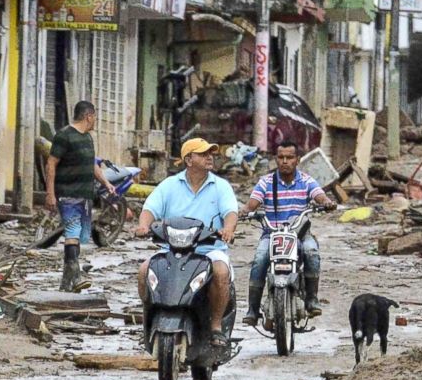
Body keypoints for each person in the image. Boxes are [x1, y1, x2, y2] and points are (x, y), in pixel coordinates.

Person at [135, 139, 240, 354]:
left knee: (220, 272)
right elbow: (150, 209)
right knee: (144, 269)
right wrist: (143, 225)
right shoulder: (169, 185)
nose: (209, 157)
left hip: (209, 250)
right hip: (171, 249)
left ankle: (216, 327)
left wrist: (228, 229)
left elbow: (231, 212)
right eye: (203, 154)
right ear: (188, 159)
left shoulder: (220, 186)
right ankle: (150, 319)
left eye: (211, 153)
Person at [241, 141, 337, 325]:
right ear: (276, 159)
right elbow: (252, 203)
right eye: (281, 157)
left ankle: (311, 299)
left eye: (290, 157)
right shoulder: (266, 182)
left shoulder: (306, 181)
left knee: (311, 252)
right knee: (260, 258)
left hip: (299, 234)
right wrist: (245, 211)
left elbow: (320, 195)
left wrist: (326, 202)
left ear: (297, 160)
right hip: (272, 234)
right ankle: (253, 309)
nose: (285, 161)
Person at [45, 100, 118, 293]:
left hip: (85, 196)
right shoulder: (64, 136)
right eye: (94, 117)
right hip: (67, 194)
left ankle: (65, 284)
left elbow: (91, 164)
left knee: (79, 237)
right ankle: (76, 277)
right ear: (89, 116)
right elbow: (51, 164)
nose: (95, 121)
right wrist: (50, 193)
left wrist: (106, 183)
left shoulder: (87, 138)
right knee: (73, 231)